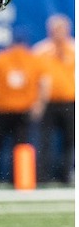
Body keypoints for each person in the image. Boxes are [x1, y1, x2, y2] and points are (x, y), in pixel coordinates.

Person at [0, 27, 50, 186]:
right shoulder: (34, 59)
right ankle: (19, 180)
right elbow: (44, 84)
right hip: (23, 110)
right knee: (21, 146)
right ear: (25, 43)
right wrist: (39, 105)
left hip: (2, 109)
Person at [33, 14, 75, 183]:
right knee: (45, 141)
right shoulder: (40, 51)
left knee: (70, 141)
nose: (59, 32)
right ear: (49, 30)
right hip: (48, 102)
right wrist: (37, 102)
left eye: (62, 29)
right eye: (56, 29)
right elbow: (34, 80)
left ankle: (65, 175)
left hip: (70, 101)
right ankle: (42, 177)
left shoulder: (74, 49)